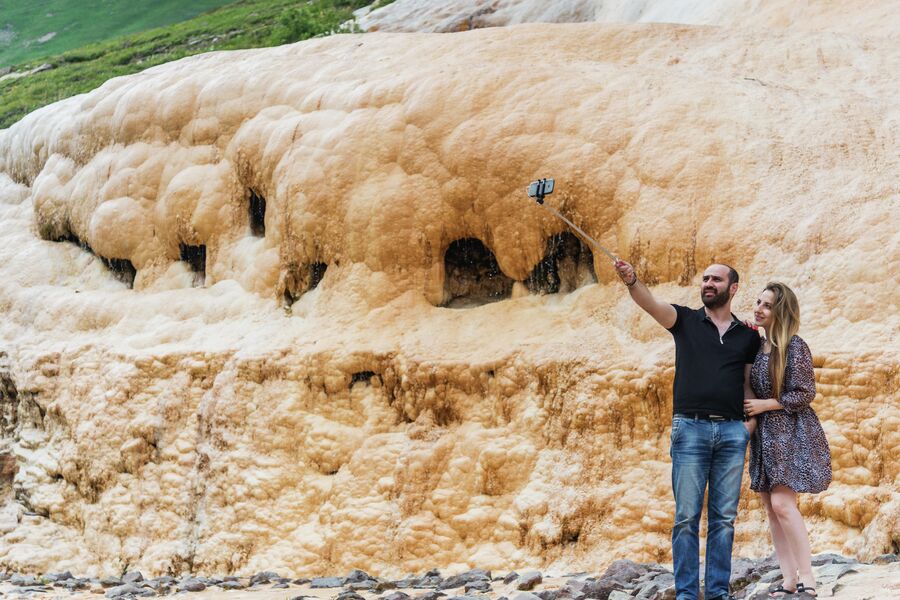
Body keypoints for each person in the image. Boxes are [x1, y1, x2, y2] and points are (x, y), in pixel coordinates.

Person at [614, 259, 760, 600]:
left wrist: (748, 426)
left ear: (733, 288)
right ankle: (686, 594)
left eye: (716, 279)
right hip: (690, 429)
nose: (708, 283)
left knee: (724, 519)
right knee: (685, 518)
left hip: (731, 433)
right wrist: (632, 279)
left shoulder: (747, 336)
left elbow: (748, 385)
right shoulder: (685, 320)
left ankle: (719, 593)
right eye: (705, 278)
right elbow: (650, 304)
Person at [743, 282, 831, 598]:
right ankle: (788, 580)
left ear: (781, 311)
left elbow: (805, 392)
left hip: (789, 431)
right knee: (771, 507)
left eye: (767, 305)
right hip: (765, 435)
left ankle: (808, 579)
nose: (759, 308)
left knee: (783, 503)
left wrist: (766, 404)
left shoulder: (794, 346)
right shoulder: (757, 347)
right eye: (758, 302)